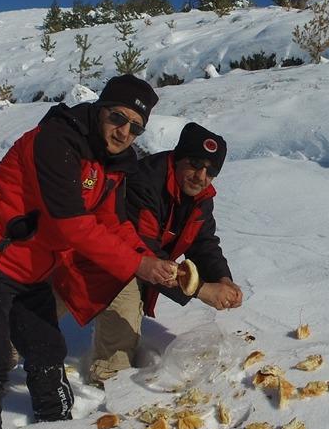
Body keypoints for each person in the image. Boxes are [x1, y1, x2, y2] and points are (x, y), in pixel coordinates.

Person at [0, 74, 177, 429]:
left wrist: (149, 259)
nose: (123, 132)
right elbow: (72, 225)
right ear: (100, 110)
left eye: (135, 127)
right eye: (117, 118)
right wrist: (137, 266)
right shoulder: (56, 141)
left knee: (47, 347)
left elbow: (111, 222)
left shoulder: (113, 163)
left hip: (31, 265)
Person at [54, 122, 243, 384]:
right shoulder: (145, 181)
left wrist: (223, 278)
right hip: (80, 257)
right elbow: (145, 252)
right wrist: (202, 289)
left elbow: (203, 243)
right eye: (195, 164)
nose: (201, 176)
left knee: (125, 304)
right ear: (178, 157)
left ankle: (110, 379)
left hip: (126, 264)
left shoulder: (201, 197)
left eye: (211, 171)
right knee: (35, 315)